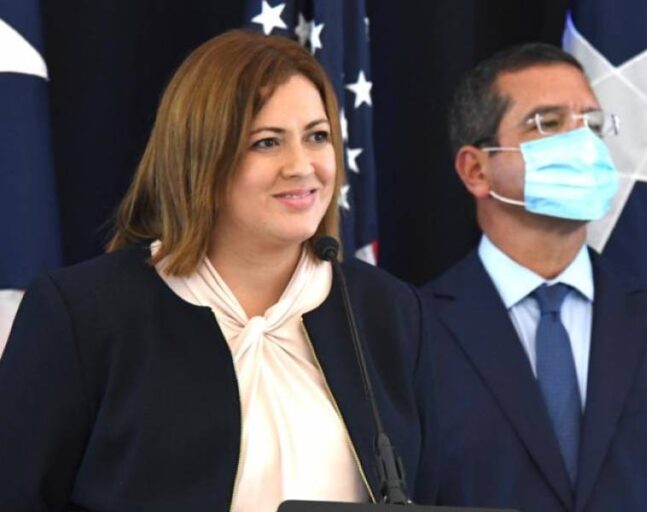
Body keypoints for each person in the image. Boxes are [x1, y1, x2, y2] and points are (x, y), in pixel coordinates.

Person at [0, 30, 434, 511]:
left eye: (317, 136)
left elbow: (436, 492)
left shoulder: (390, 312)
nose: (301, 166)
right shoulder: (82, 316)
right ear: (200, 157)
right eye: (266, 143)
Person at [422, 43, 647, 511]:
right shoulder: (412, 332)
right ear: (476, 170)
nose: (581, 143)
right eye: (547, 123)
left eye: (593, 124)